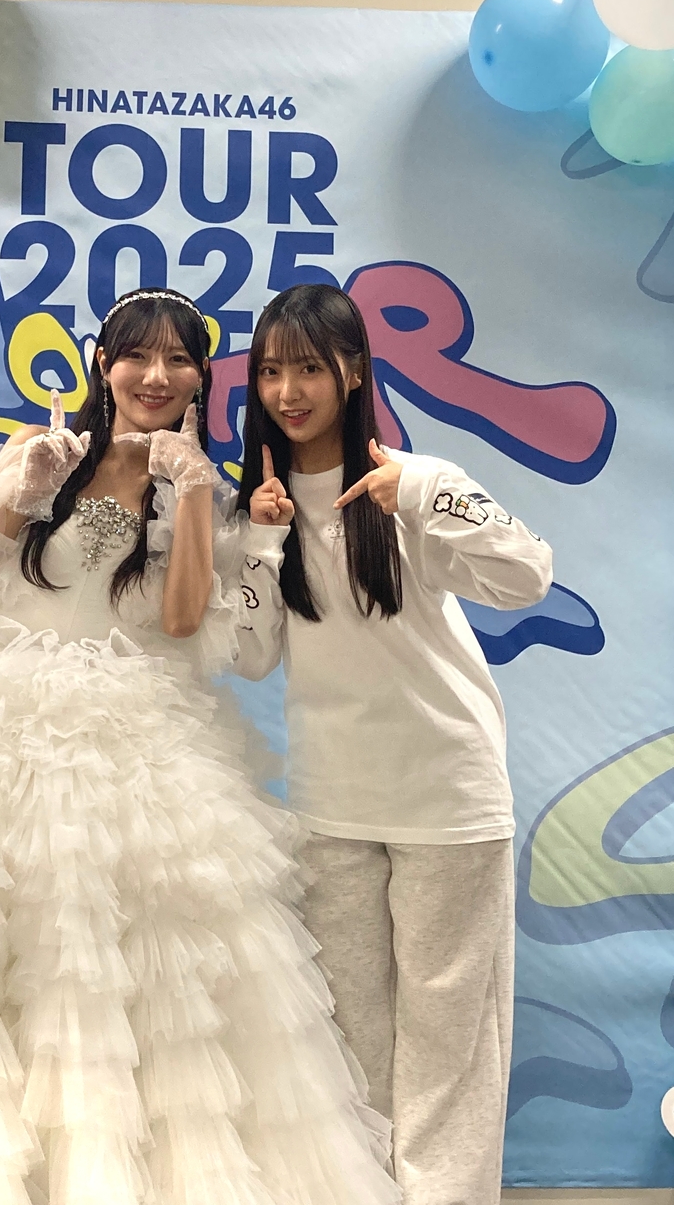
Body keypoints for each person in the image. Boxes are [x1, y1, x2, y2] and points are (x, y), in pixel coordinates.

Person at [0, 288, 400, 1205]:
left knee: (115, 963)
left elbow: (184, 623)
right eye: (139, 356)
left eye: (180, 361)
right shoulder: (40, 450)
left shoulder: (200, 486)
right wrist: (21, 499)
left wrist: (193, 494)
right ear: (104, 363)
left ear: (200, 379)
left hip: (131, 733)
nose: (157, 376)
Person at [235, 283, 553, 1205]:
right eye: (270, 371)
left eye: (307, 367)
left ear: (353, 371)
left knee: (450, 1035)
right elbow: (250, 657)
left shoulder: (413, 481)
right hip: (333, 803)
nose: (288, 391)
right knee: (350, 1033)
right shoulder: (261, 506)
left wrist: (420, 492)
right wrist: (259, 544)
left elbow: (528, 575)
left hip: (447, 799)